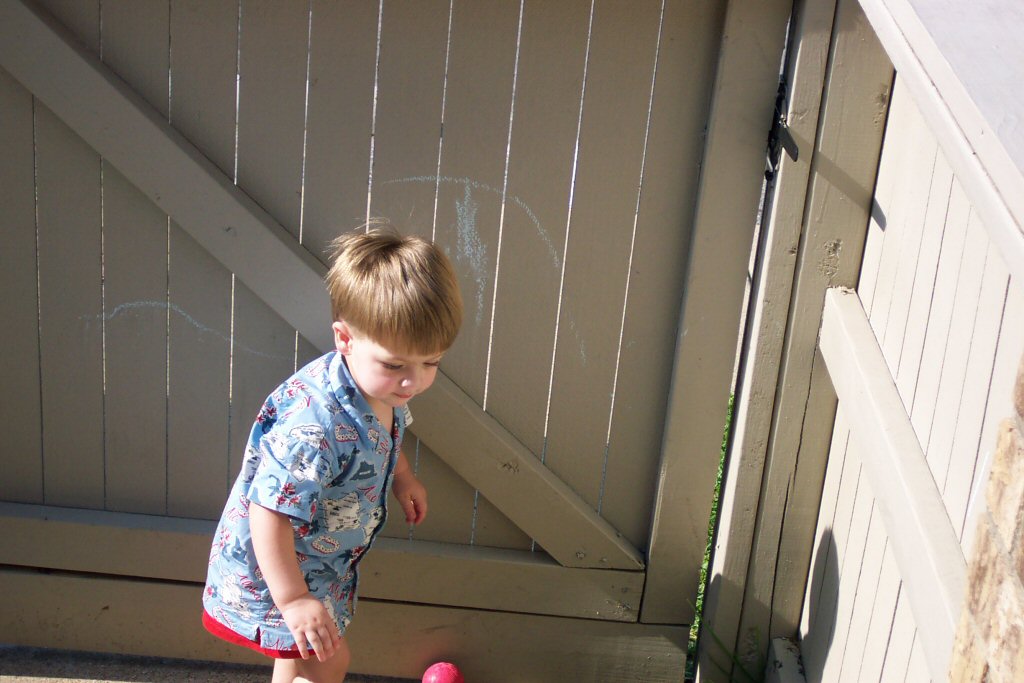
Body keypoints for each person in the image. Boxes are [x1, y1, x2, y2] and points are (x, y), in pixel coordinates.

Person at [202, 226, 463, 682]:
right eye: (396, 365)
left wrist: (403, 477)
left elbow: (387, 435)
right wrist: (293, 600)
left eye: (432, 362)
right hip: (279, 573)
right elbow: (268, 511)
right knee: (325, 662)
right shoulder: (315, 426)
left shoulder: (379, 389)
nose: (414, 380)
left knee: (302, 658)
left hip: (319, 566)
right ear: (345, 339)